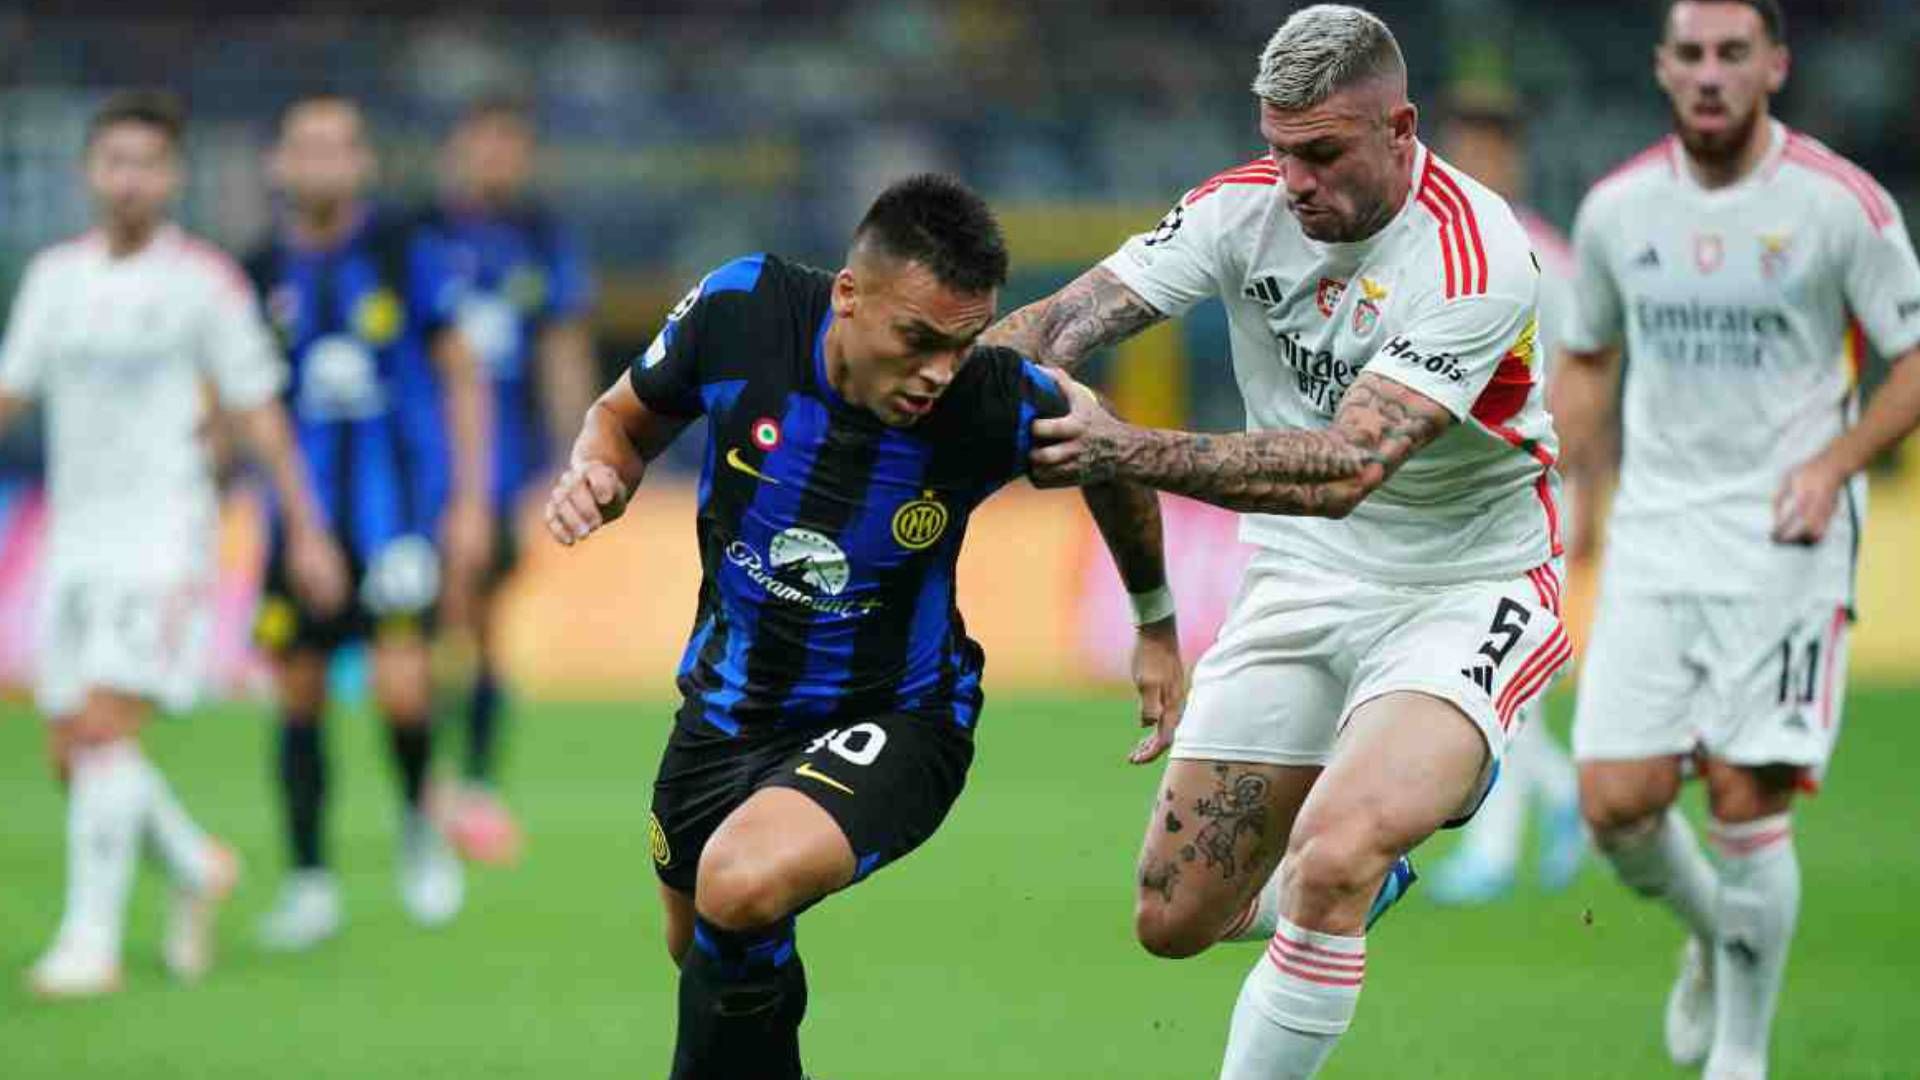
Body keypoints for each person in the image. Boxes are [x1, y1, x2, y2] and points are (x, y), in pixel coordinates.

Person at [986, 7, 1565, 1075]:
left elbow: (1346, 468)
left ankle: (1401, 814)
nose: (1294, 180)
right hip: (1299, 577)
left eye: (1323, 153)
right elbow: (1056, 329)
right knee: (1175, 918)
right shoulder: (1240, 207)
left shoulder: (1476, 256)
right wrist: (907, 403)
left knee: (1334, 854)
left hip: (1465, 585)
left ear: (1400, 129)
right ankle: (1362, 874)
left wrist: (1125, 448)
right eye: (1279, 148)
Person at [546, 173, 1183, 1079]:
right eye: (918, 340)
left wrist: (1155, 622)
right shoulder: (742, 310)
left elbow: (1111, 453)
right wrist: (600, 475)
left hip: (900, 717)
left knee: (739, 882)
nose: (939, 373)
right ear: (848, 294)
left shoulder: (991, 399)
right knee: (708, 954)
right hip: (725, 711)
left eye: (961, 344)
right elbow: (622, 420)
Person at [1557, 2, 1920, 1077]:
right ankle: (1720, 938)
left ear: (1775, 66)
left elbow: (1912, 358)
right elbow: (1588, 355)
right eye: (1692, 54)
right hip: (1656, 530)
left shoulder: (1839, 205)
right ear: (1662, 68)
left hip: (1783, 539)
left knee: (1743, 796)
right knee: (1615, 805)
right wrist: (1575, 482)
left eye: (1732, 53)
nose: (1710, 73)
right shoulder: (1619, 209)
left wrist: (1835, 464)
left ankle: (1740, 1058)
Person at [0, 91, 348, 997]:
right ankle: (196, 865)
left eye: (146, 163)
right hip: (73, 537)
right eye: (114, 161)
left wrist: (305, 527)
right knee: (70, 750)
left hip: (163, 536)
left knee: (102, 729)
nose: (129, 179)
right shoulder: (55, 279)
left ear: (172, 177)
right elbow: (11, 391)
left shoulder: (205, 283)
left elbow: (259, 412)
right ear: (89, 172)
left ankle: (90, 944)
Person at [244, 93, 493, 950]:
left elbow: (461, 373)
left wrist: (468, 501)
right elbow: (248, 403)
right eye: (304, 147)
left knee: (403, 685)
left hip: (398, 517)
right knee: (299, 691)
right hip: (297, 519)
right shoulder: (257, 270)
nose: (319, 163)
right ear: (279, 163)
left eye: (336, 147)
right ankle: (308, 880)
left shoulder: (403, 252)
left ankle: (420, 829)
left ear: (362, 162)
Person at [414, 95, 597, 865]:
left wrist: (579, 451)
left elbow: (562, 346)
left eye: (509, 146)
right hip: (420, 452)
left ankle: (472, 784)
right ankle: (430, 782)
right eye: (484, 144)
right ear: (458, 150)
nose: (496, 160)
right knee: (434, 616)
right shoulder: (420, 235)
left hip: (501, 459)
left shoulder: (541, 238)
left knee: (482, 618)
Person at [1423, 86, 1588, 906]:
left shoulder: (1545, 259)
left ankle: (1491, 852)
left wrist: (1582, 486)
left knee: (1496, 680)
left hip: (1535, 495)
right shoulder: (1429, 249)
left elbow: (1589, 376)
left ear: (1514, 160)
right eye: (1462, 149)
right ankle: (1568, 794)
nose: (1474, 164)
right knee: (1483, 674)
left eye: (1489, 150)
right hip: (1454, 502)